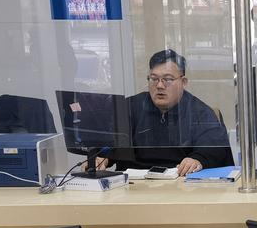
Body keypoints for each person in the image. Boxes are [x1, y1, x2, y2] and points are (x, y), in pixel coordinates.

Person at [94, 49, 233, 175]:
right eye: (154, 79)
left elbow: (214, 148)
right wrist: (101, 158)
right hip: (133, 184)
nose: (159, 85)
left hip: (181, 182)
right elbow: (107, 144)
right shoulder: (129, 107)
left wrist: (197, 160)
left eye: (168, 79)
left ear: (183, 82)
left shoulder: (200, 112)